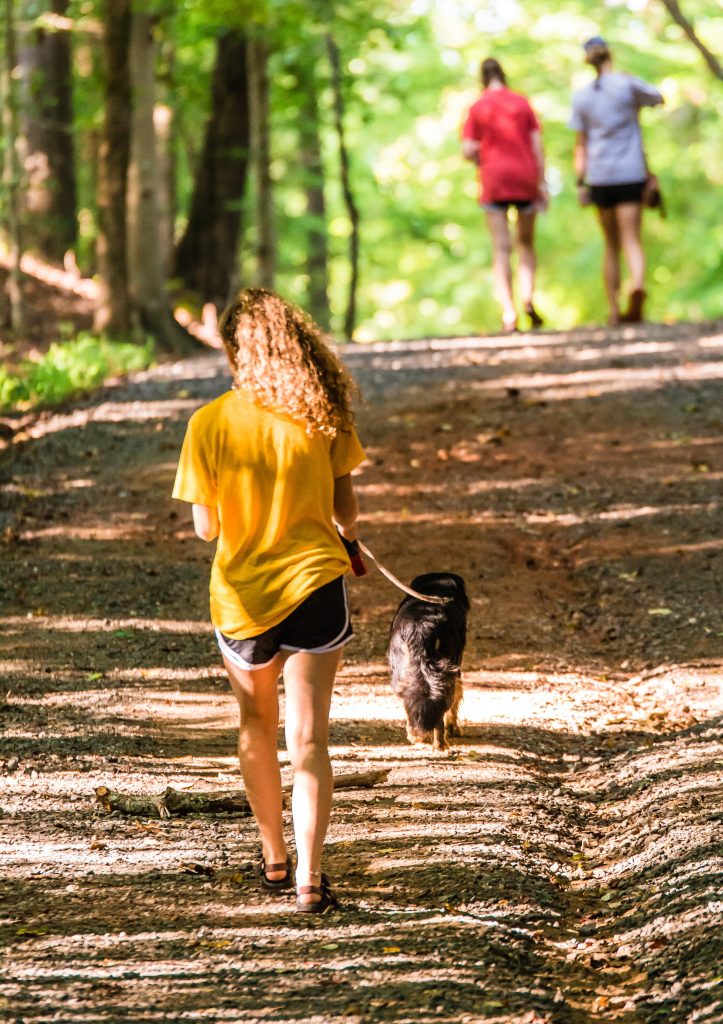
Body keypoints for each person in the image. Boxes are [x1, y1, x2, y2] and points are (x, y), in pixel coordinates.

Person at [172, 288, 365, 913]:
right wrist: (344, 535)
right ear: (297, 346)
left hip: (242, 596)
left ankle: (275, 860)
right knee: (310, 739)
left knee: (256, 725)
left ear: (235, 351)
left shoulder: (208, 423)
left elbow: (206, 528)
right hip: (315, 586)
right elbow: (348, 513)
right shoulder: (320, 413)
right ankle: (312, 878)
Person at [569, 36, 663, 325]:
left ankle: (613, 309)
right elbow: (658, 97)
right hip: (630, 172)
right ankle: (637, 285)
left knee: (611, 244)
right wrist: (632, 81)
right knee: (632, 238)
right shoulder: (626, 85)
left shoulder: (582, 96)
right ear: (610, 55)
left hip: (600, 177)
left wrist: (580, 183)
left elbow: (581, 144)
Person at [462, 57, 548, 334]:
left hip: (494, 180)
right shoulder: (522, 103)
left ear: (482, 78)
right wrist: (542, 183)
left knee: (501, 247)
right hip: (525, 178)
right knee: (526, 244)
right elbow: (537, 145)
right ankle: (528, 300)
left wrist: (480, 151)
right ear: (503, 74)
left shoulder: (477, 107)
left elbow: (467, 149)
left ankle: (509, 312)